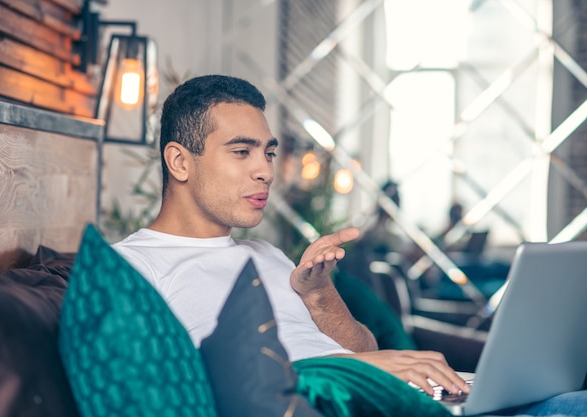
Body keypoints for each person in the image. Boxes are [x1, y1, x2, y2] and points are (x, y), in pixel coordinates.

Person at [113, 74, 586, 416]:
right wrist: (364, 374)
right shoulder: (131, 267)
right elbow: (176, 387)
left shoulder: (267, 255)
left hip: (380, 398)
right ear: (179, 161)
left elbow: (364, 349)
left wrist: (320, 297)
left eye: (268, 152)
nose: (265, 170)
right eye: (242, 152)